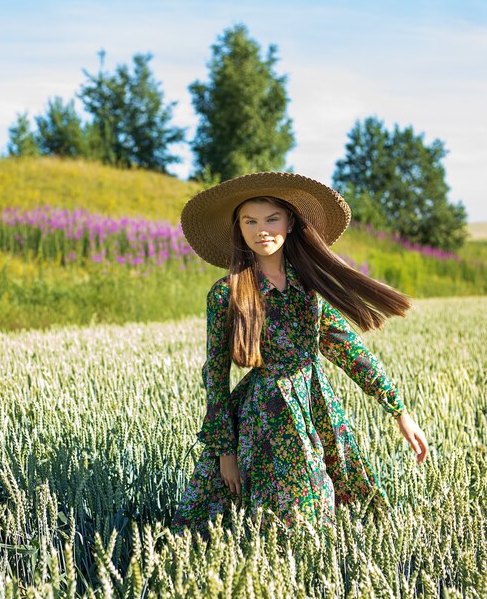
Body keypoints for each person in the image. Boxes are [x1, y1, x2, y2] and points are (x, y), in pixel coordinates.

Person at [170, 171, 429, 541]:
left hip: (315, 404)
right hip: (264, 413)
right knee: (274, 511)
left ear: (290, 223)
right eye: (250, 221)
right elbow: (214, 374)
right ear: (238, 229)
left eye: (272, 218)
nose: (262, 230)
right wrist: (225, 450)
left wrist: (399, 410)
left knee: (334, 502)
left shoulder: (311, 288)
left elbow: (349, 351)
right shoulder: (225, 294)